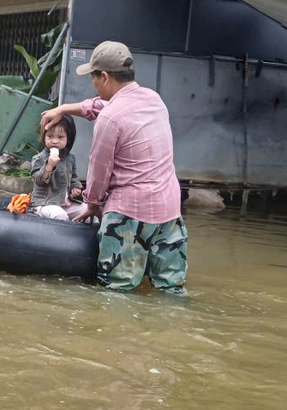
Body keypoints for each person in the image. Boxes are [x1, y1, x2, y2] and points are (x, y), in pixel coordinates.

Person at [40, 41, 187, 294]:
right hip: (169, 211)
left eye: (94, 78)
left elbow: (99, 172)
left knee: (118, 291)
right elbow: (99, 105)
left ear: (104, 77)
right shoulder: (154, 100)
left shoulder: (110, 119)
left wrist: (93, 204)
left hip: (129, 214)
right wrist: (64, 108)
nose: (94, 85)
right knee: (171, 288)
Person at [29, 115, 84, 220]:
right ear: (44, 137)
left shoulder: (70, 158)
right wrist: (49, 165)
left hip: (65, 203)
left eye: (60, 137)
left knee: (86, 210)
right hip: (45, 203)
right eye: (50, 136)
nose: (54, 141)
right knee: (59, 215)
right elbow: (38, 181)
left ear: (68, 139)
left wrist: (75, 188)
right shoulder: (39, 158)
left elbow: (73, 177)